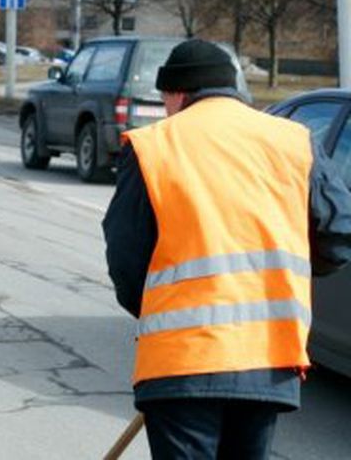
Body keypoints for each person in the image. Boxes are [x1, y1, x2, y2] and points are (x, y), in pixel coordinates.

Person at [103, 39, 351, 459]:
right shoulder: (294, 140)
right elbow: (338, 234)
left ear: (179, 94)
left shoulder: (154, 146)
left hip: (182, 363)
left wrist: (161, 314)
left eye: (164, 98)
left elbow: (126, 259)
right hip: (266, 361)